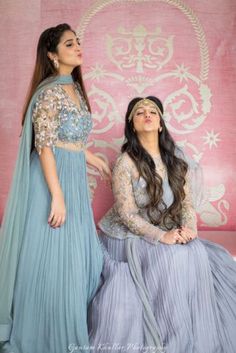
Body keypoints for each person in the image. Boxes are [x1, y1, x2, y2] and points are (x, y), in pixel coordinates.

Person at [88, 96, 236, 353]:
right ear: (132, 125)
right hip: (128, 235)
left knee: (196, 252)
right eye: (139, 112)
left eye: (153, 112)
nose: (147, 115)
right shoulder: (126, 162)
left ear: (160, 123)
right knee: (171, 259)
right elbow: (127, 215)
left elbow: (187, 206)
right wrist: (161, 236)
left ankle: (188, 331)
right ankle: (169, 336)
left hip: (167, 228)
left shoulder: (176, 161)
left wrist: (189, 230)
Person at [0, 23, 111, 353]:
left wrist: (95, 161)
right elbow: (46, 146)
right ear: (51, 55)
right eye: (68, 44)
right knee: (53, 260)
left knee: (83, 261)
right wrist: (57, 195)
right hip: (51, 182)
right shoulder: (48, 92)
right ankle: (45, 335)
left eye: (78, 42)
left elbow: (69, 140)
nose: (78, 47)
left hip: (72, 178)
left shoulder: (74, 90)